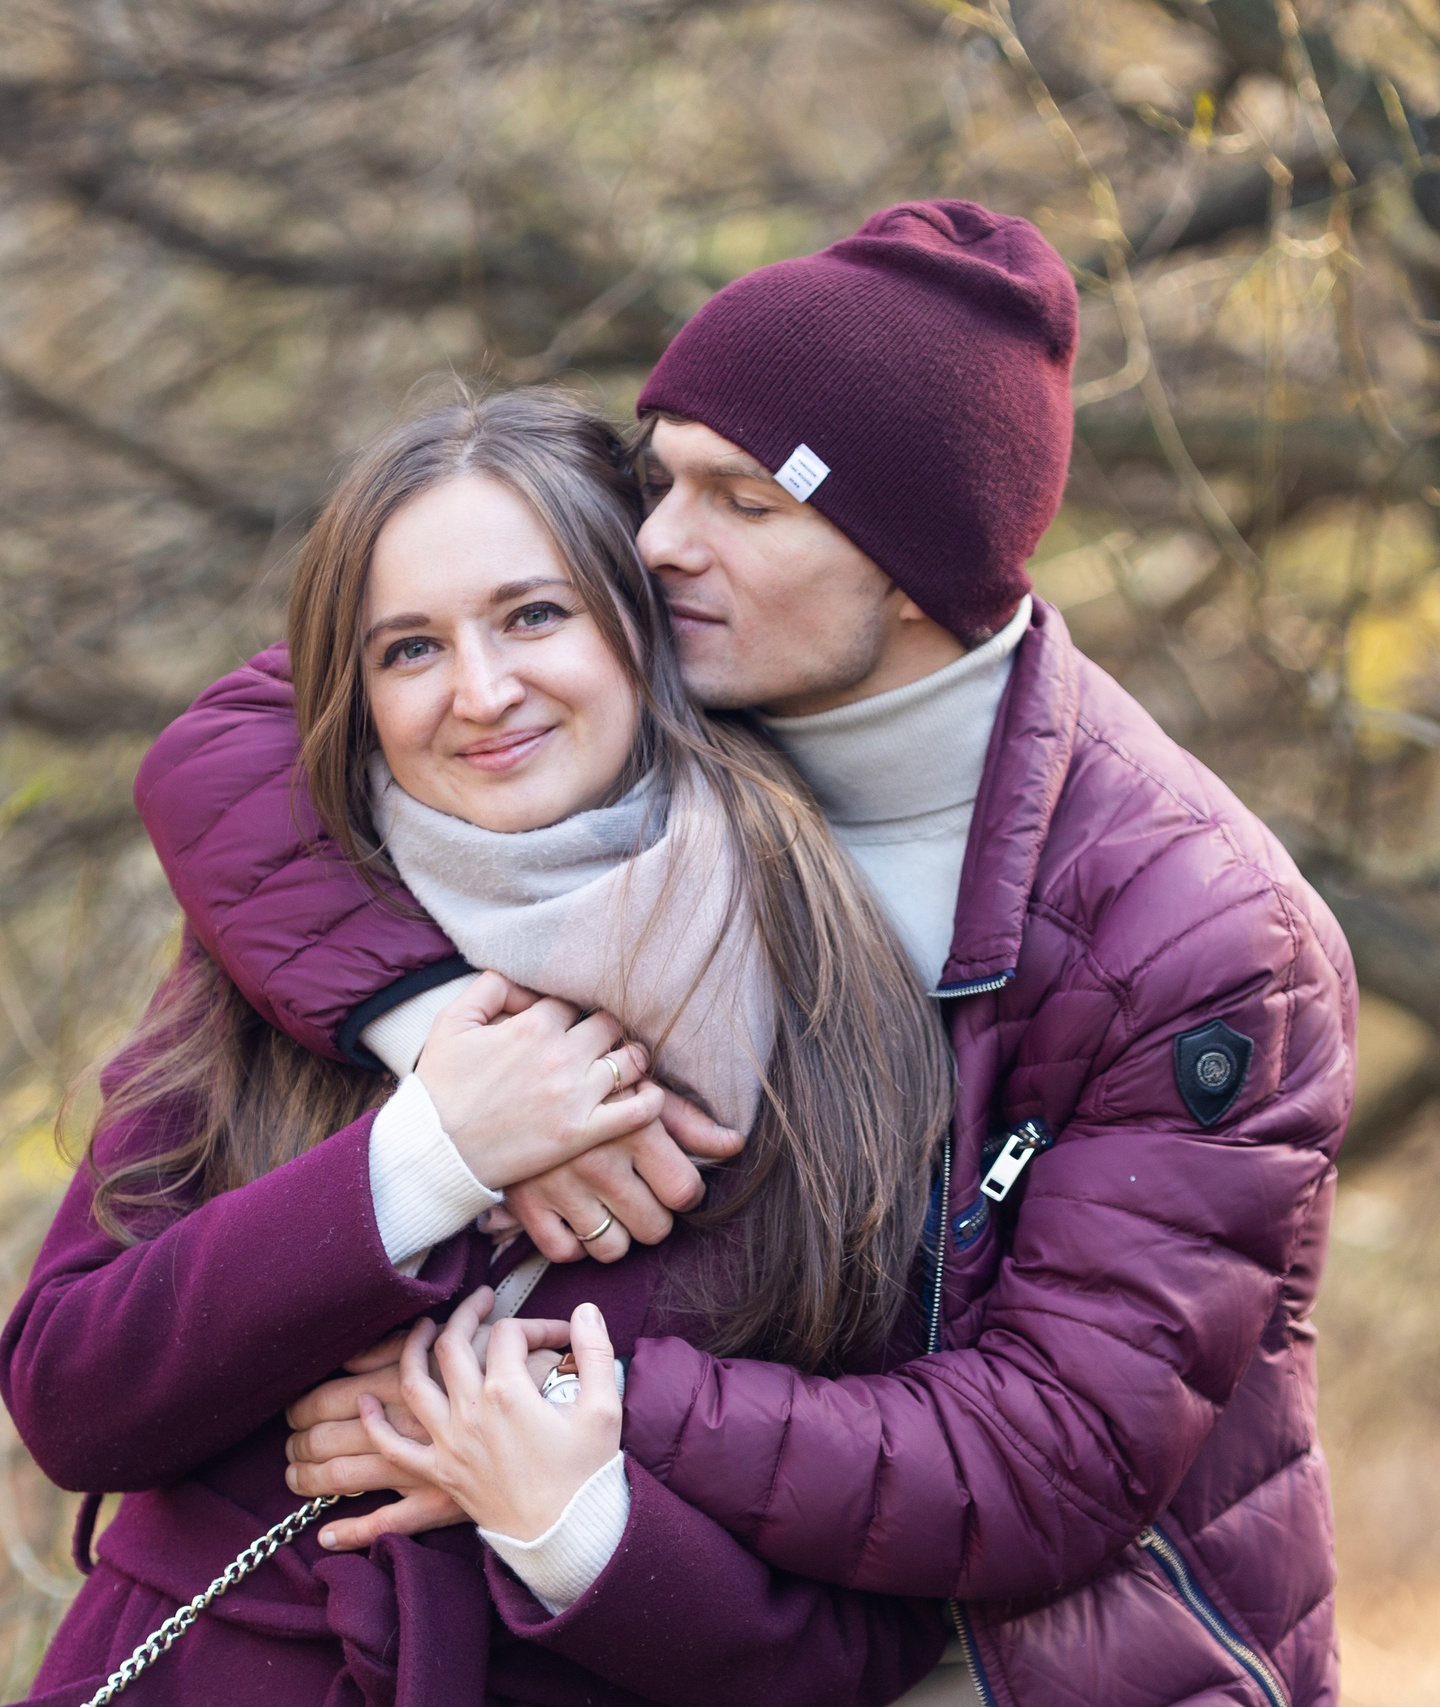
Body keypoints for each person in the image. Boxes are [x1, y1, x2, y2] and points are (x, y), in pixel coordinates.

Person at [144, 200, 1357, 1706]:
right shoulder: (675, 678)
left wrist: (563, 1402)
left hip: (1026, 1667)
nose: (657, 543)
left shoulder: (1195, 939)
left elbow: (1051, 1454)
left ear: (912, 568)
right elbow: (238, 741)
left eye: (742, 502)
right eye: (662, 480)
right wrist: (436, 1021)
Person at [0, 389, 961, 1706]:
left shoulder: (845, 991)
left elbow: (872, 1633)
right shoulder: (285, 931)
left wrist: (571, 1522)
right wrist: (426, 1157)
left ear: (641, 629)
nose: (482, 692)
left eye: (534, 615)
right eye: (409, 650)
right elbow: (71, 1392)